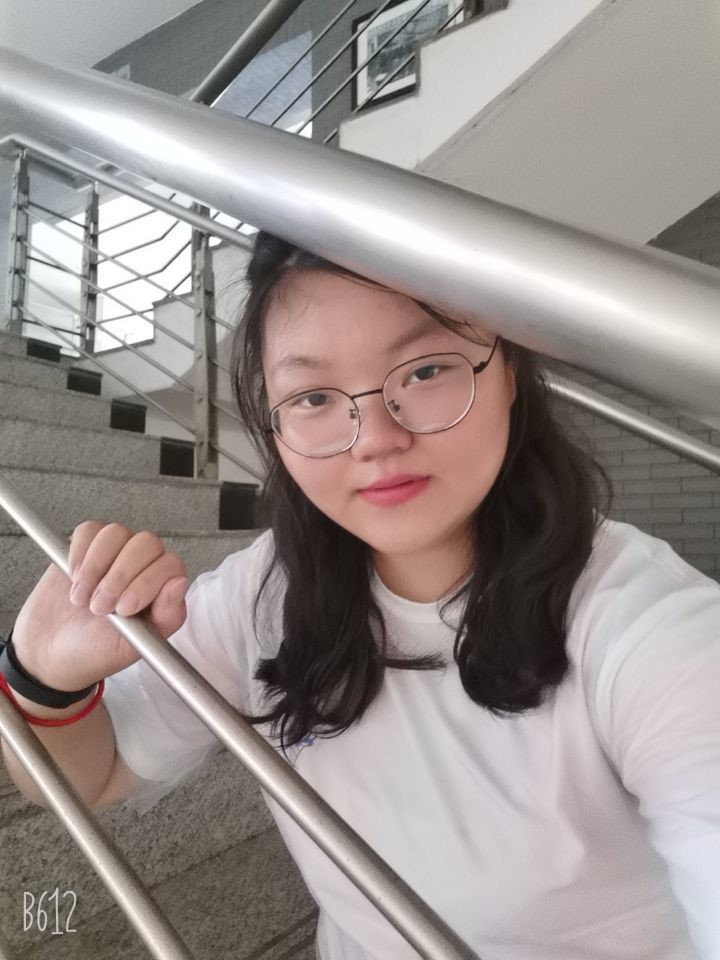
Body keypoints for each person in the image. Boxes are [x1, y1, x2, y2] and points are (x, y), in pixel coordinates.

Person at [2, 230, 719, 960]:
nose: (375, 437)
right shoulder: (263, 595)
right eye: (314, 396)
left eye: (425, 370)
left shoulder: (650, 629)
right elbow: (94, 772)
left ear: (507, 370)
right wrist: (43, 679)